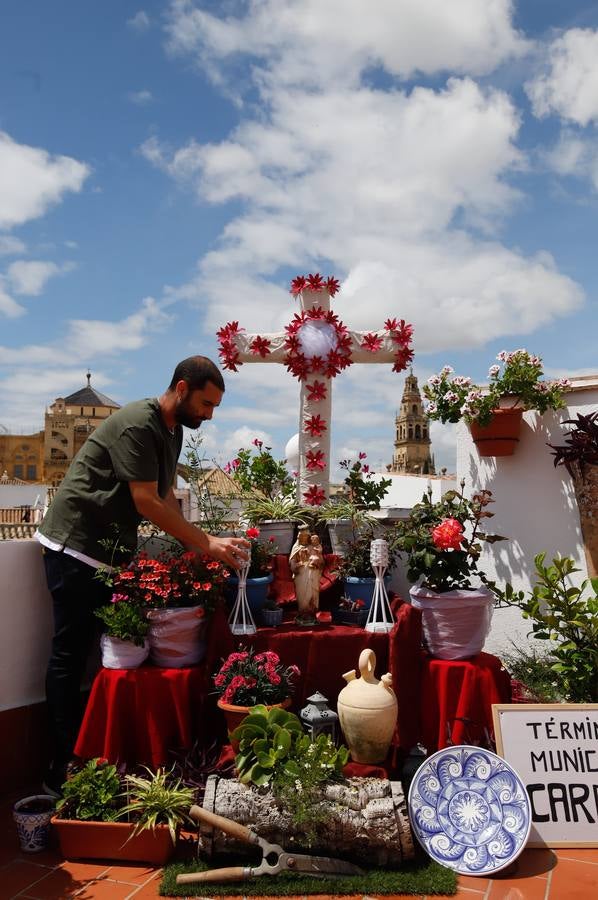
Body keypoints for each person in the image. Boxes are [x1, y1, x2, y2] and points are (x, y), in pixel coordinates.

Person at [36, 355, 249, 795]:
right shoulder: (138, 423)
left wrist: (203, 544)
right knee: (69, 658)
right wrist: (206, 544)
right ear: (183, 387)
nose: (209, 416)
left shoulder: (171, 433)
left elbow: (167, 497)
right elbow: (145, 502)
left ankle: (90, 760)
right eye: (206, 404)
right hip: (74, 547)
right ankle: (60, 766)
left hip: (105, 556)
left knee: (97, 659)